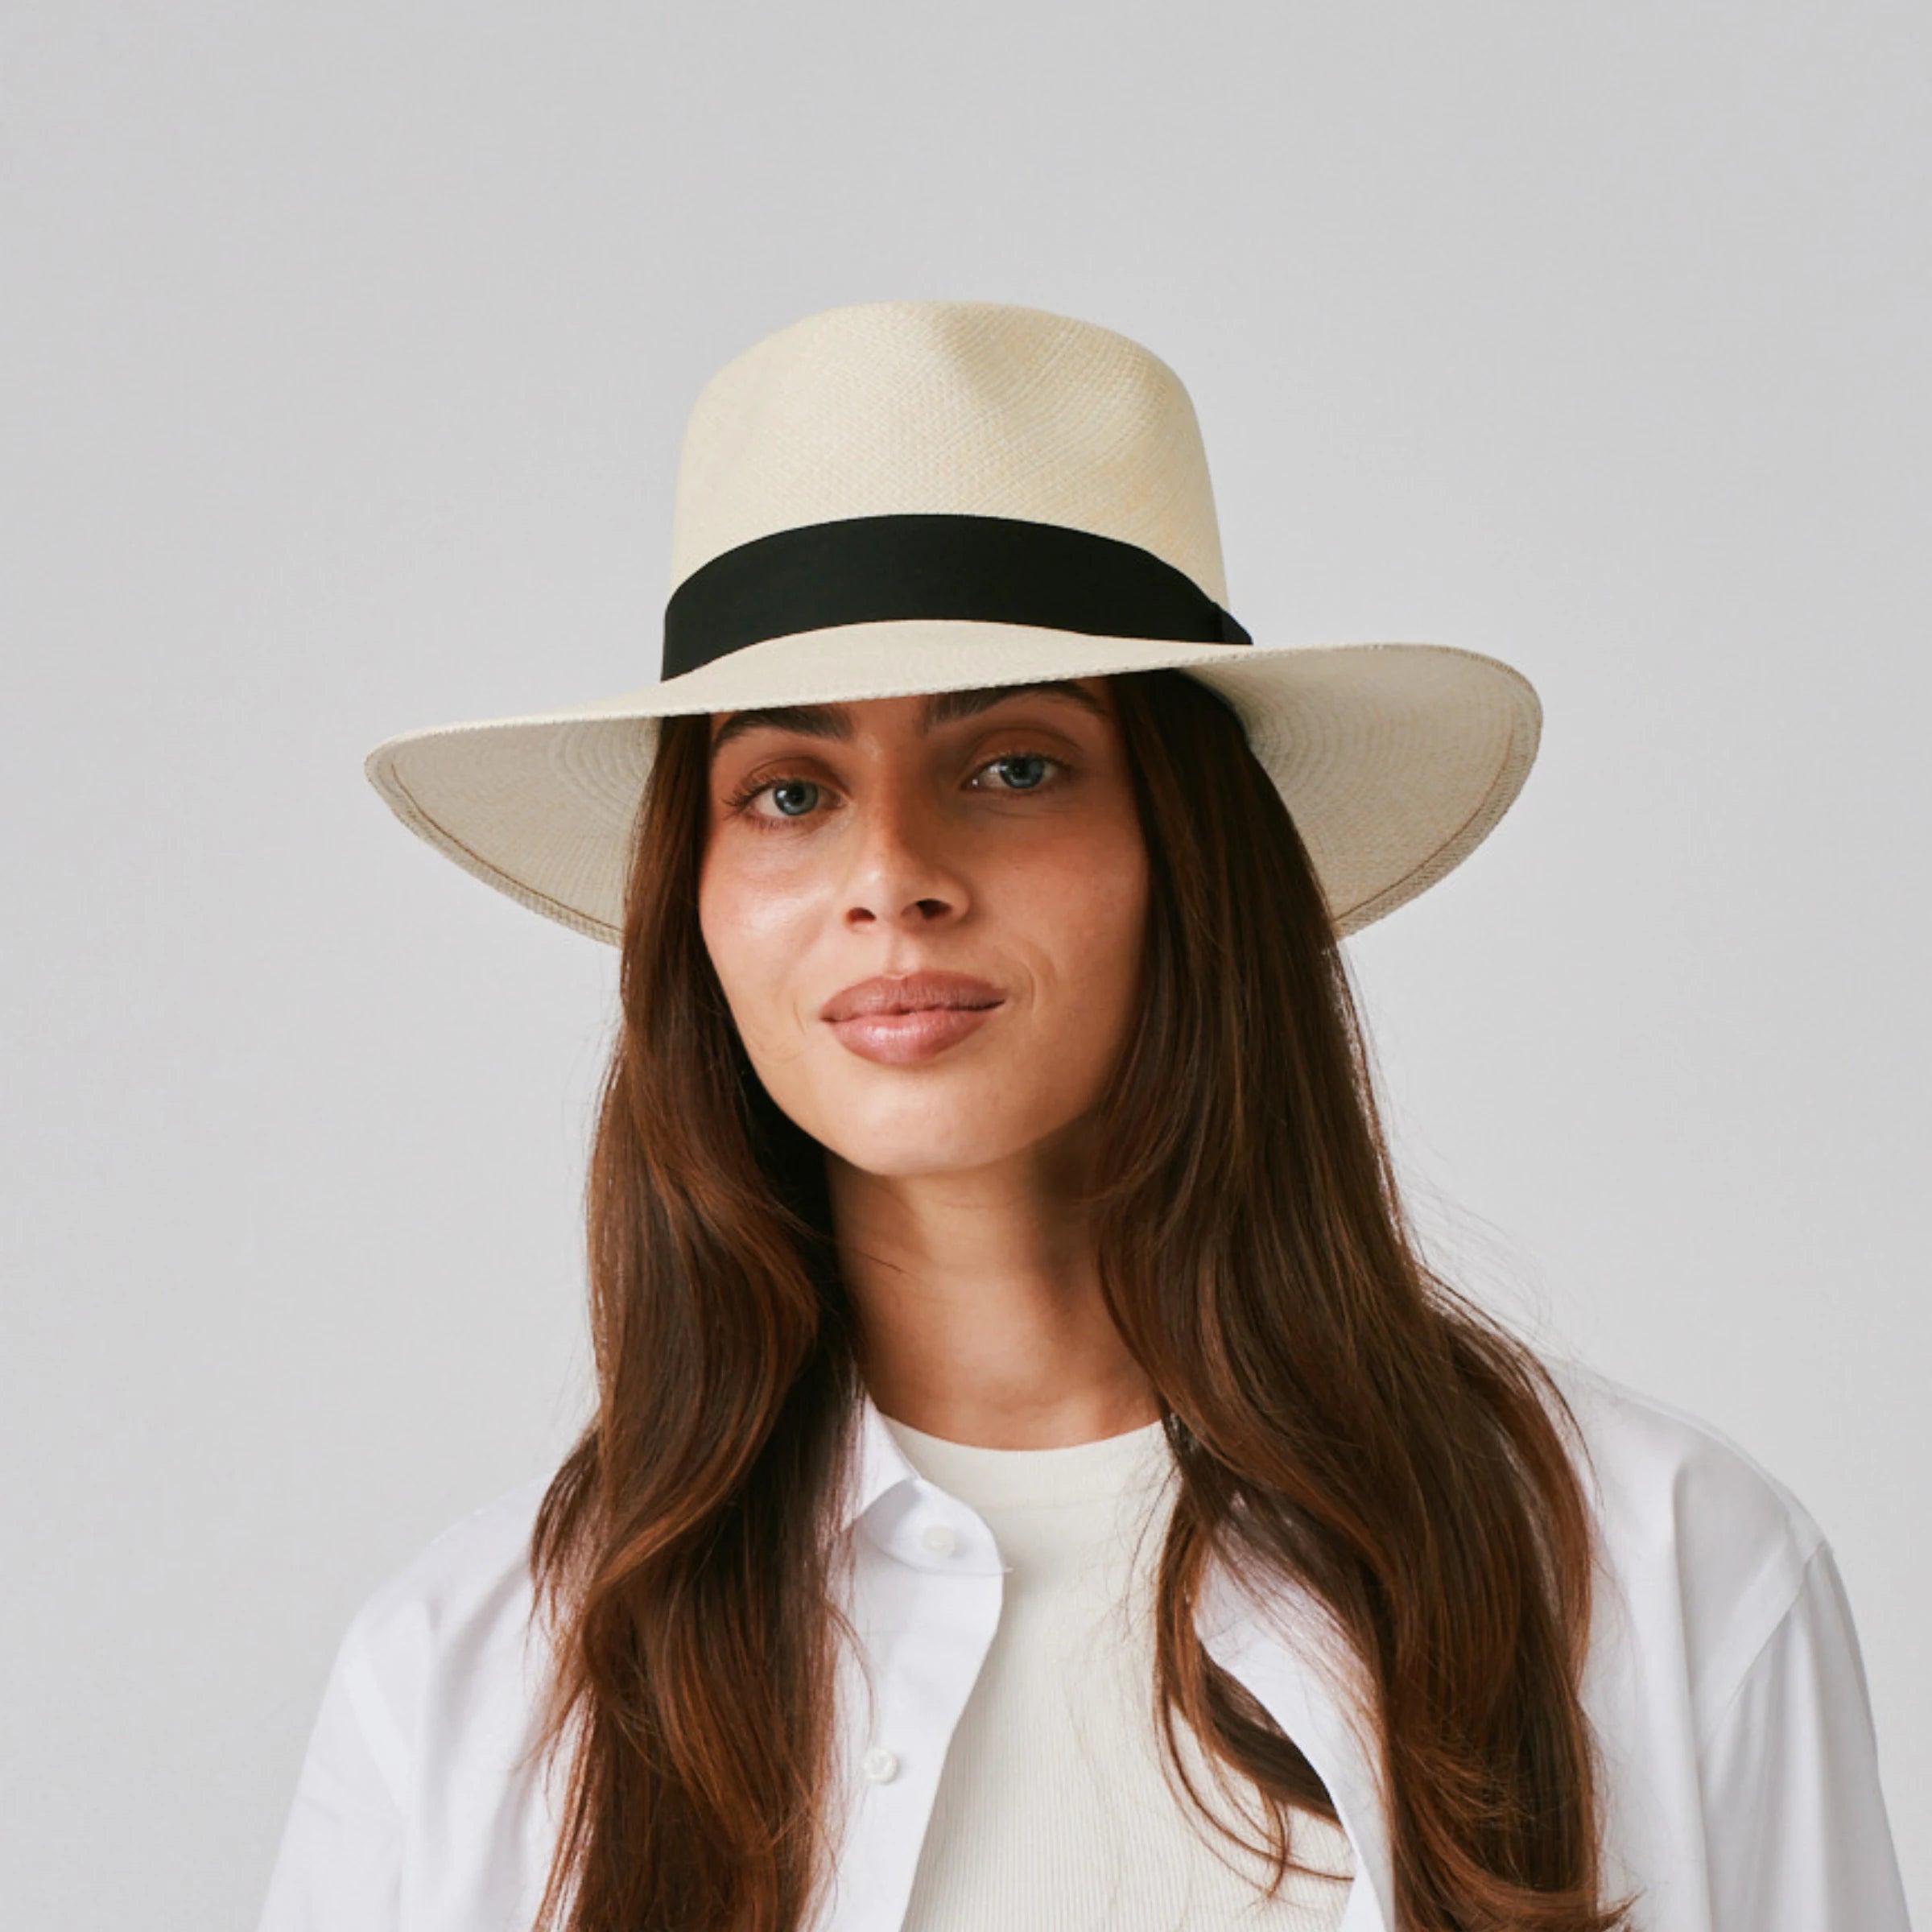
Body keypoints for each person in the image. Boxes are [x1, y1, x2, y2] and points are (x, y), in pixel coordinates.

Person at [258, 299, 1912, 1932]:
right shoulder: (474, 1682)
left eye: (1015, 765)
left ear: (1187, 853)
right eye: (787, 791)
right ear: (692, 900)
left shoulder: (1660, 1578)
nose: (893, 878)